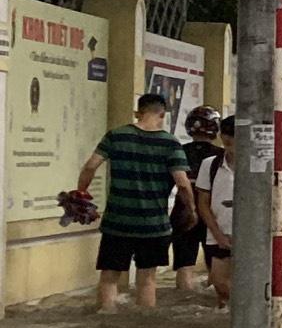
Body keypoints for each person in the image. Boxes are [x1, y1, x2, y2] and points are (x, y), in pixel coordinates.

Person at [74, 90, 198, 312]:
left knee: (110, 276)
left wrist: (80, 193)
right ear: (163, 114)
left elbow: (91, 166)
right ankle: (143, 326)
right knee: (147, 279)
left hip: (117, 222)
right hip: (153, 225)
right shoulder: (170, 144)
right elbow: (182, 184)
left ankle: (106, 320)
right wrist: (191, 209)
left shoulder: (116, 136)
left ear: (137, 112)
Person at [171, 105, 222, 293]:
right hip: (212, 213)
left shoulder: (178, 151)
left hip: (183, 211)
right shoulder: (221, 155)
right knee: (215, 264)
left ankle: (184, 298)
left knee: (184, 263)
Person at [203, 116, 237, 307]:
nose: (230, 141)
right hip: (217, 234)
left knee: (247, 285)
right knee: (220, 285)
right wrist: (218, 234)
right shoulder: (211, 165)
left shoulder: (259, 166)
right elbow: (203, 203)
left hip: (250, 238)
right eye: (227, 135)